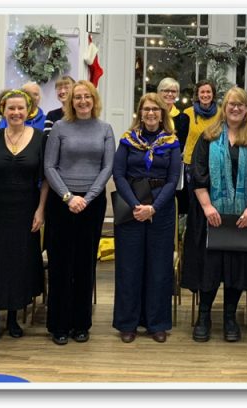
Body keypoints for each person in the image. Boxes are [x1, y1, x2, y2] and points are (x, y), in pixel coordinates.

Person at [181, 87, 247, 343]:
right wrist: (208, 207)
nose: (235, 108)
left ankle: (230, 318)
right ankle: (204, 316)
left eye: (241, 105)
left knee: (237, 269)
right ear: (225, 107)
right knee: (210, 267)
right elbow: (197, 175)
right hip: (211, 217)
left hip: (244, 218)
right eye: (231, 104)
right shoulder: (208, 137)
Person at [44, 80, 114, 345]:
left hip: (92, 204)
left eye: (87, 97)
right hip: (62, 203)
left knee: (85, 265)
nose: (82, 101)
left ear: (94, 100)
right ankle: (58, 325)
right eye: (77, 97)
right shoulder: (60, 128)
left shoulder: (105, 129)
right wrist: (68, 197)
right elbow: (49, 166)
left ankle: (81, 324)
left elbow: (107, 167)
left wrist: (88, 197)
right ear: (70, 102)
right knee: (61, 265)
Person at [0, 90, 49, 340]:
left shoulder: (40, 139)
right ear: (2, 111)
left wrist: (40, 210)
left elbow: (46, 179)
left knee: (19, 263)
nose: (16, 113)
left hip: (26, 210)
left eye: (20, 108)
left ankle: (15, 317)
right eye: (11, 108)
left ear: (28, 111)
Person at [112, 92, 182, 343]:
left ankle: (157, 323)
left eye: (156, 109)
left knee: (159, 267)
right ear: (139, 113)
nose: (151, 113)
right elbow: (118, 174)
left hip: (161, 210)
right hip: (131, 208)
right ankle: (128, 323)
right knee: (129, 267)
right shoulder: (128, 140)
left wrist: (153, 208)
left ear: (163, 113)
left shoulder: (172, 142)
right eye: (146, 109)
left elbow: (174, 179)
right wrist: (136, 205)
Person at [157, 78, 191, 216]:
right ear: (159, 92)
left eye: (173, 91)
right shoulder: (151, 114)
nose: (170, 94)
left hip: (172, 165)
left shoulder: (183, 118)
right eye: (166, 90)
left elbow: (180, 144)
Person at [181, 80, 221, 165]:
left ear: (213, 94)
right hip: (191, 162)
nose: (205, 95)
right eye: (202, 92)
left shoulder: (221, 114)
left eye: (208, 92)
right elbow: (182, 140)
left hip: (213, 162)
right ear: (197, 95)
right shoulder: (188, 113)